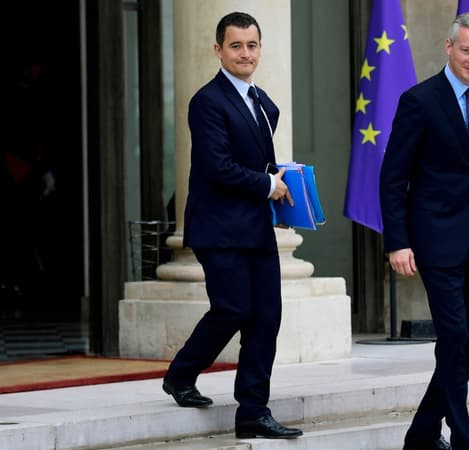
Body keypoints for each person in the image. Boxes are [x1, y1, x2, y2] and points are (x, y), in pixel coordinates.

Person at [162, 11, 302, 440]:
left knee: (267, 316)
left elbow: (256, 161)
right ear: (218, 49)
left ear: (260, 49)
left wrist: (284, 184)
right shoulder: (207, 101)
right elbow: (218, 167)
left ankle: (253, 413)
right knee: (234, 308)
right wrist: (268, 185)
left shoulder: (262, 102)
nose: (245, 53)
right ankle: (181, 373)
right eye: (236, 45)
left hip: (255, 226)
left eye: (252, 45)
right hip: (218, 228)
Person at [380, 12, 469, 450]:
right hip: (434, 239)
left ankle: (421, 433)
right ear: (448, 47)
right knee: (453, 336)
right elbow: (393, 177)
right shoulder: (419, 100)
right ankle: (460, 437)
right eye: (466, 50)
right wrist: (397, 240)